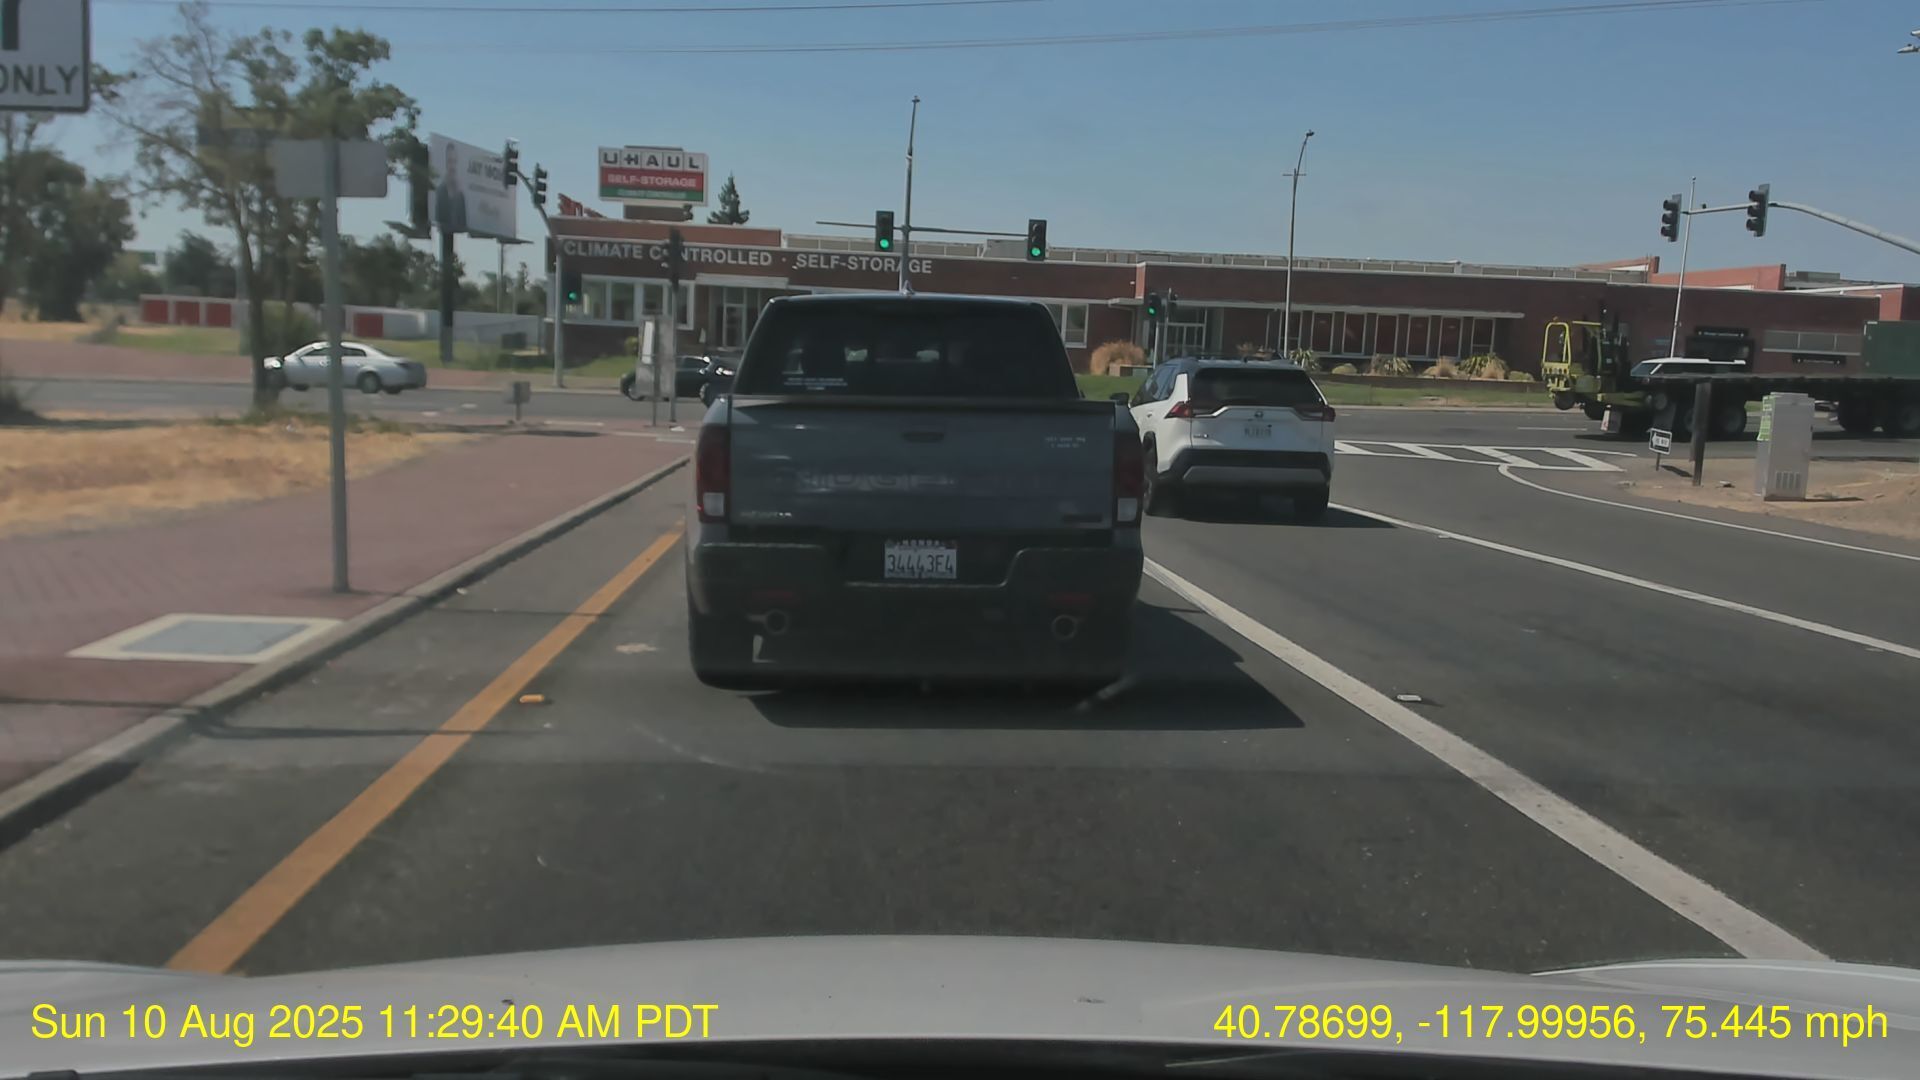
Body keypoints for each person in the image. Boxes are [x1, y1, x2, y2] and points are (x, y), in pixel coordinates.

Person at [433, 142, 468, 234]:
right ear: (445, 163)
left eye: (454, 161)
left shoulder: (461, 196)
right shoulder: (440, 192)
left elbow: (463, 225)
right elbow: (438, 220)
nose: (452, 166)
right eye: (450, 161)